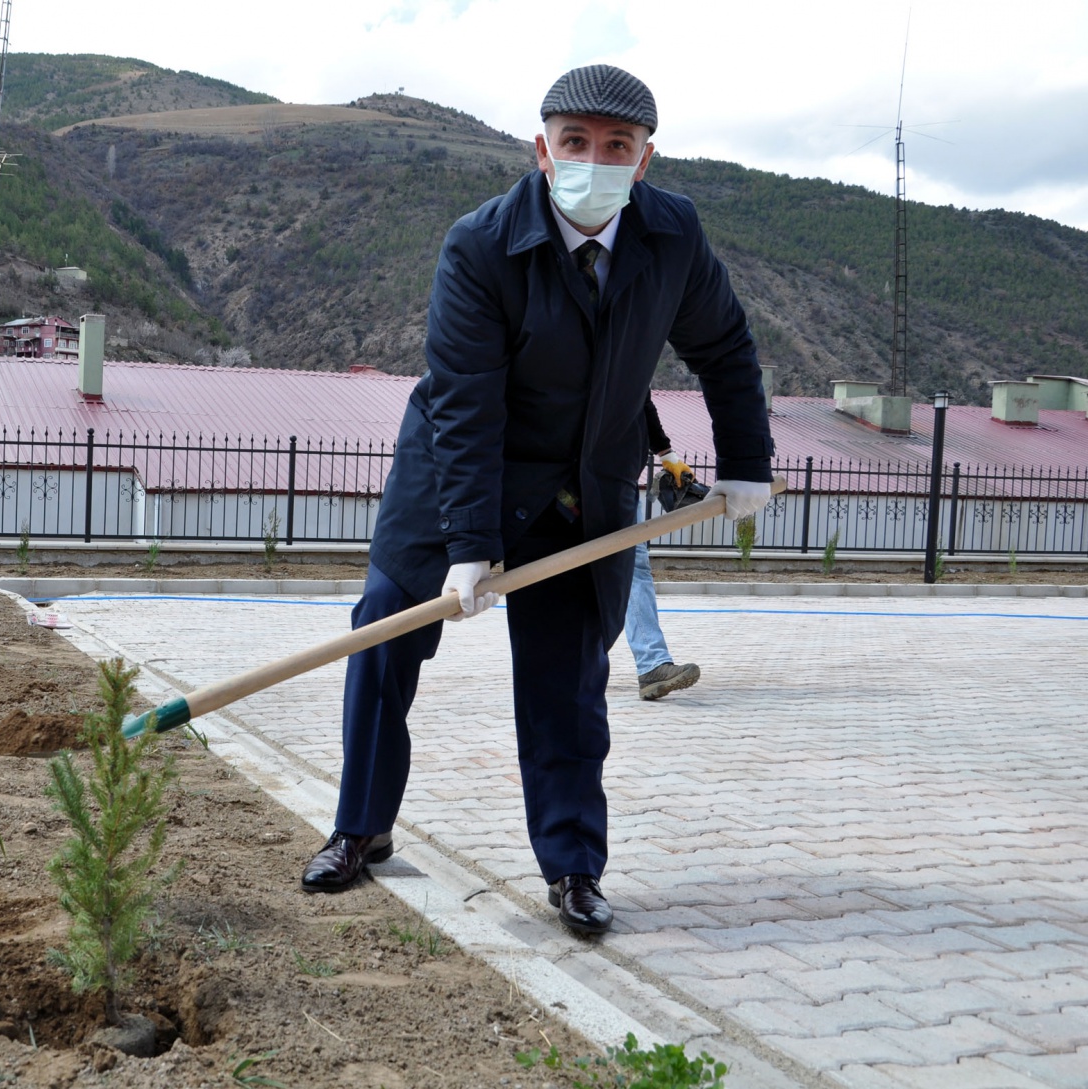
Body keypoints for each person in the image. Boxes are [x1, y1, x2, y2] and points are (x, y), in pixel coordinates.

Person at [299, 65, 774, 936]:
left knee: (566, 680)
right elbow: (466, 402)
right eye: (575, 143)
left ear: (644, 159)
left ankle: (572, 868)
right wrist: (468, 545)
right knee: (386, 638)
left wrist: (746, 462)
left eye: (616, 147)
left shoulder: (670, 235)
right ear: (541, 149)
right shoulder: (479, 244)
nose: (595, 159)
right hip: (451, 474)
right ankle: (359, 828)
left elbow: (726, 347)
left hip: (580, 491)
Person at [628, 396, 701, 701]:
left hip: (616, 480)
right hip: (564, 480)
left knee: (633, 569)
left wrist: (667, 454)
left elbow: (641, 400)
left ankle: (653, 665)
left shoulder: (626, 352)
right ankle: (571, 661)